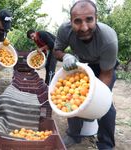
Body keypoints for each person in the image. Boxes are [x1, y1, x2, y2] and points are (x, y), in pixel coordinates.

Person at [53, 0, 118, 150]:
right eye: (77, 21)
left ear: (96, 17)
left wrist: (96, 97)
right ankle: (74, 135)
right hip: (81, 65)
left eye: (89, 19)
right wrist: (66, 56)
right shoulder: (65, 30)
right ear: (71, 21)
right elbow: (57, 50)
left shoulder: (108, 39)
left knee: (106, 105)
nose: (84, 27)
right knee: (74, 98)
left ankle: (106, 144)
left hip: (103, 67)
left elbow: (106, 73)